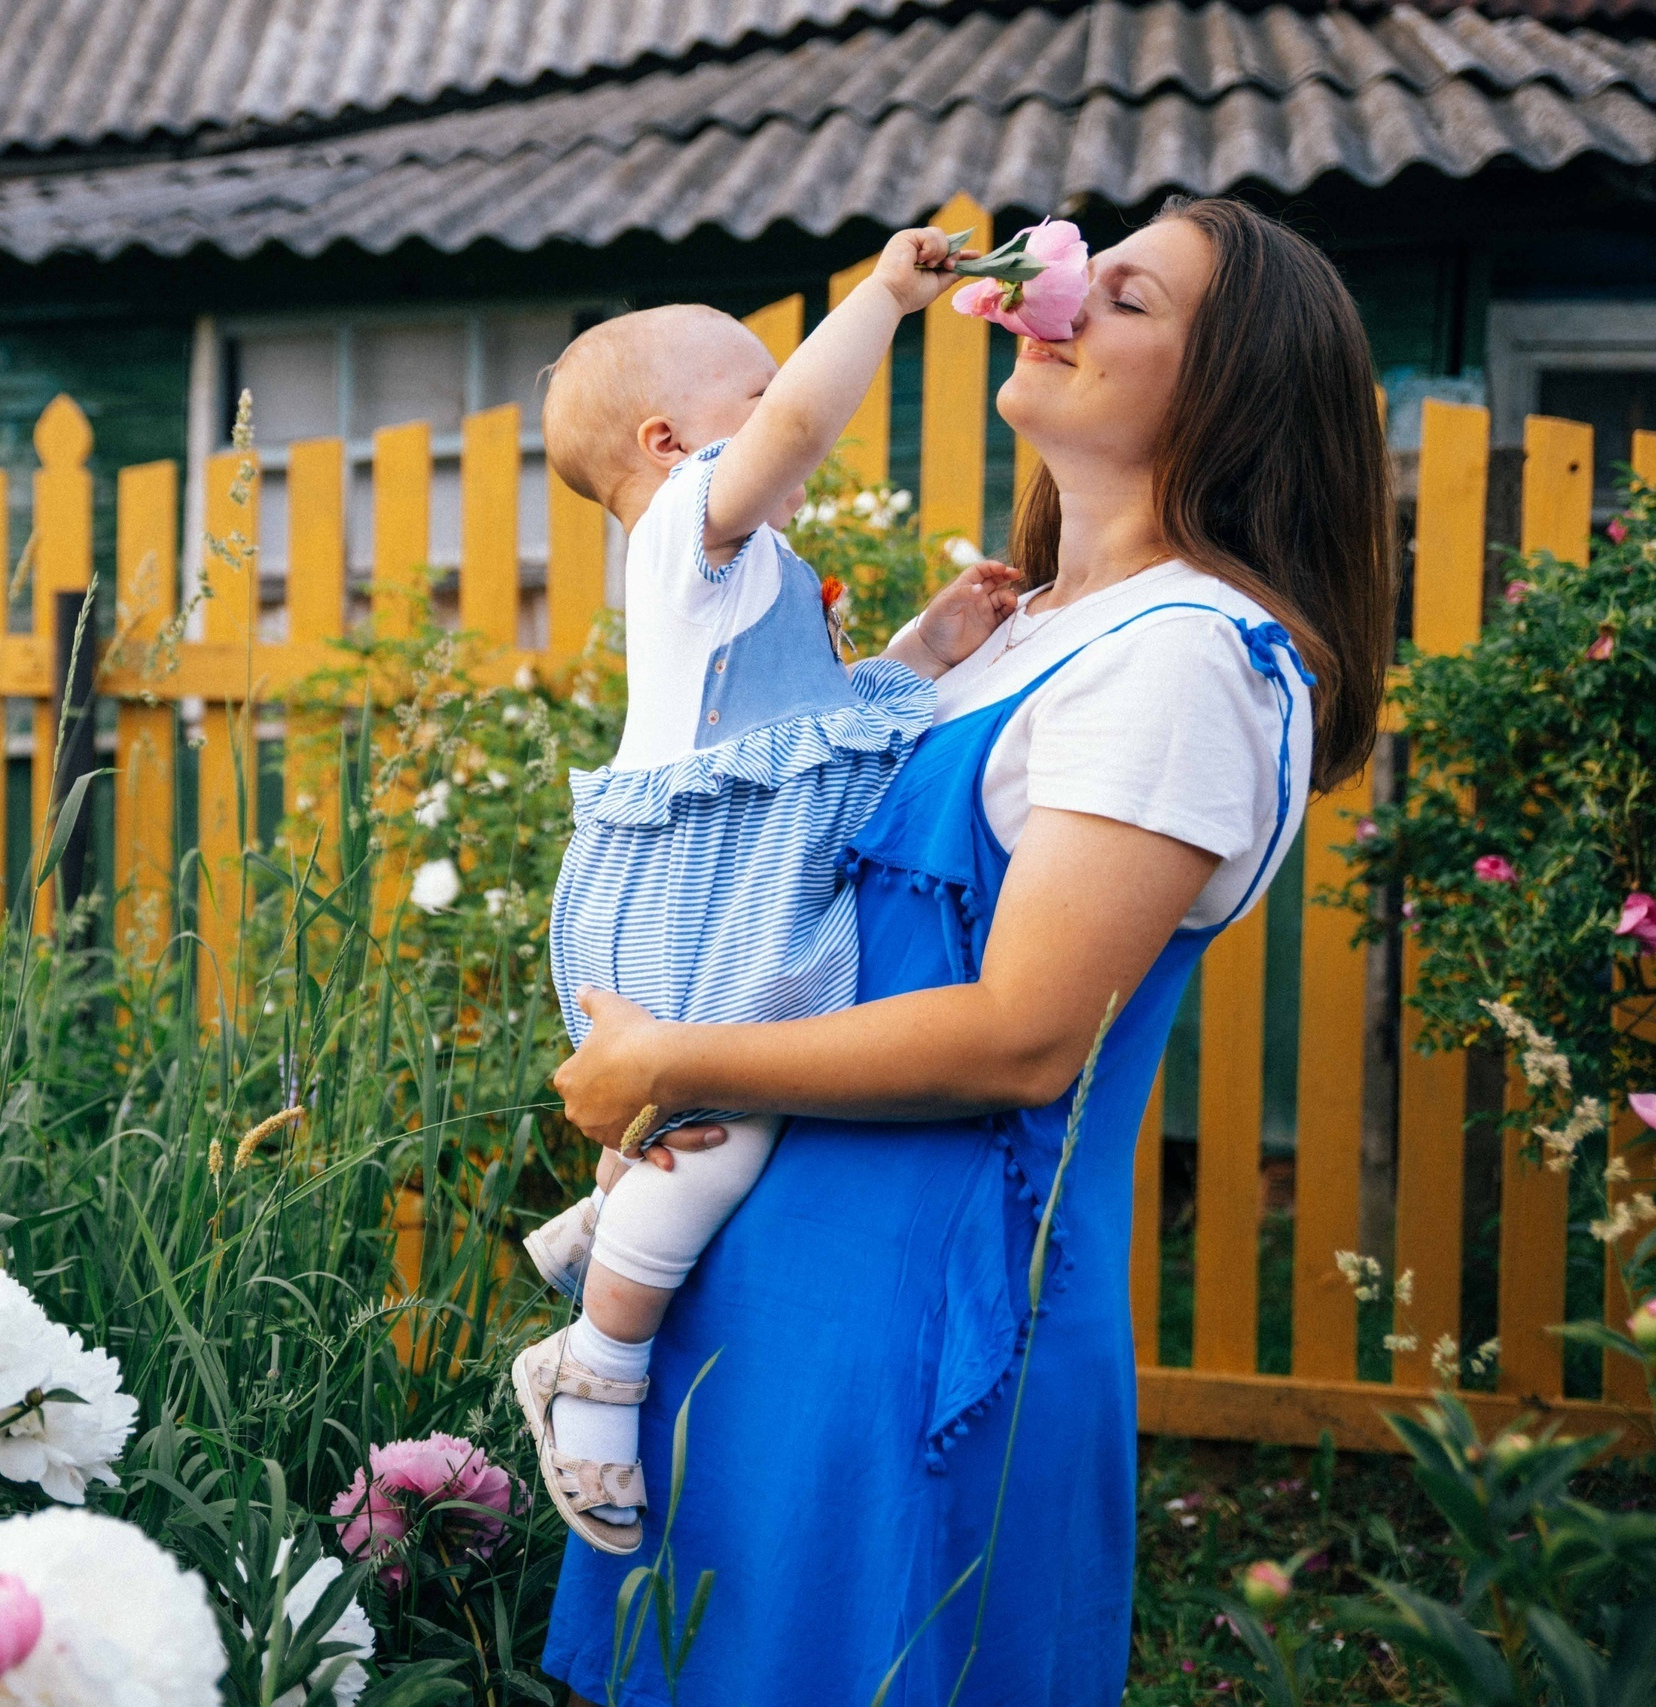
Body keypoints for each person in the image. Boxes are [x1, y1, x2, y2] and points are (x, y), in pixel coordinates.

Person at [537, 196, 1394, 1707]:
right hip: (764, 1309)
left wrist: (668, 1056)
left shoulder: (1188, 657)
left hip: (921, 1339)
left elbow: (1023, 1035)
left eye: (1128, 298)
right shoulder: (1017, 633)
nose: (1060, 299)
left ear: (1232, 389)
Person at [513, 240, 1022, 1557]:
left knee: (726, 1111)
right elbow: (799, 425)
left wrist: (924, 647)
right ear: (668, 438)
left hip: (738, 869)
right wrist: (885, 301)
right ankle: (594, 1368)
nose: (782, 401)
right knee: (733, 1123)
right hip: (699, 882)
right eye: (755, 389)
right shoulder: (687, 526)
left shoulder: (747, 573)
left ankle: (612, 1222)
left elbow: (829, 718)